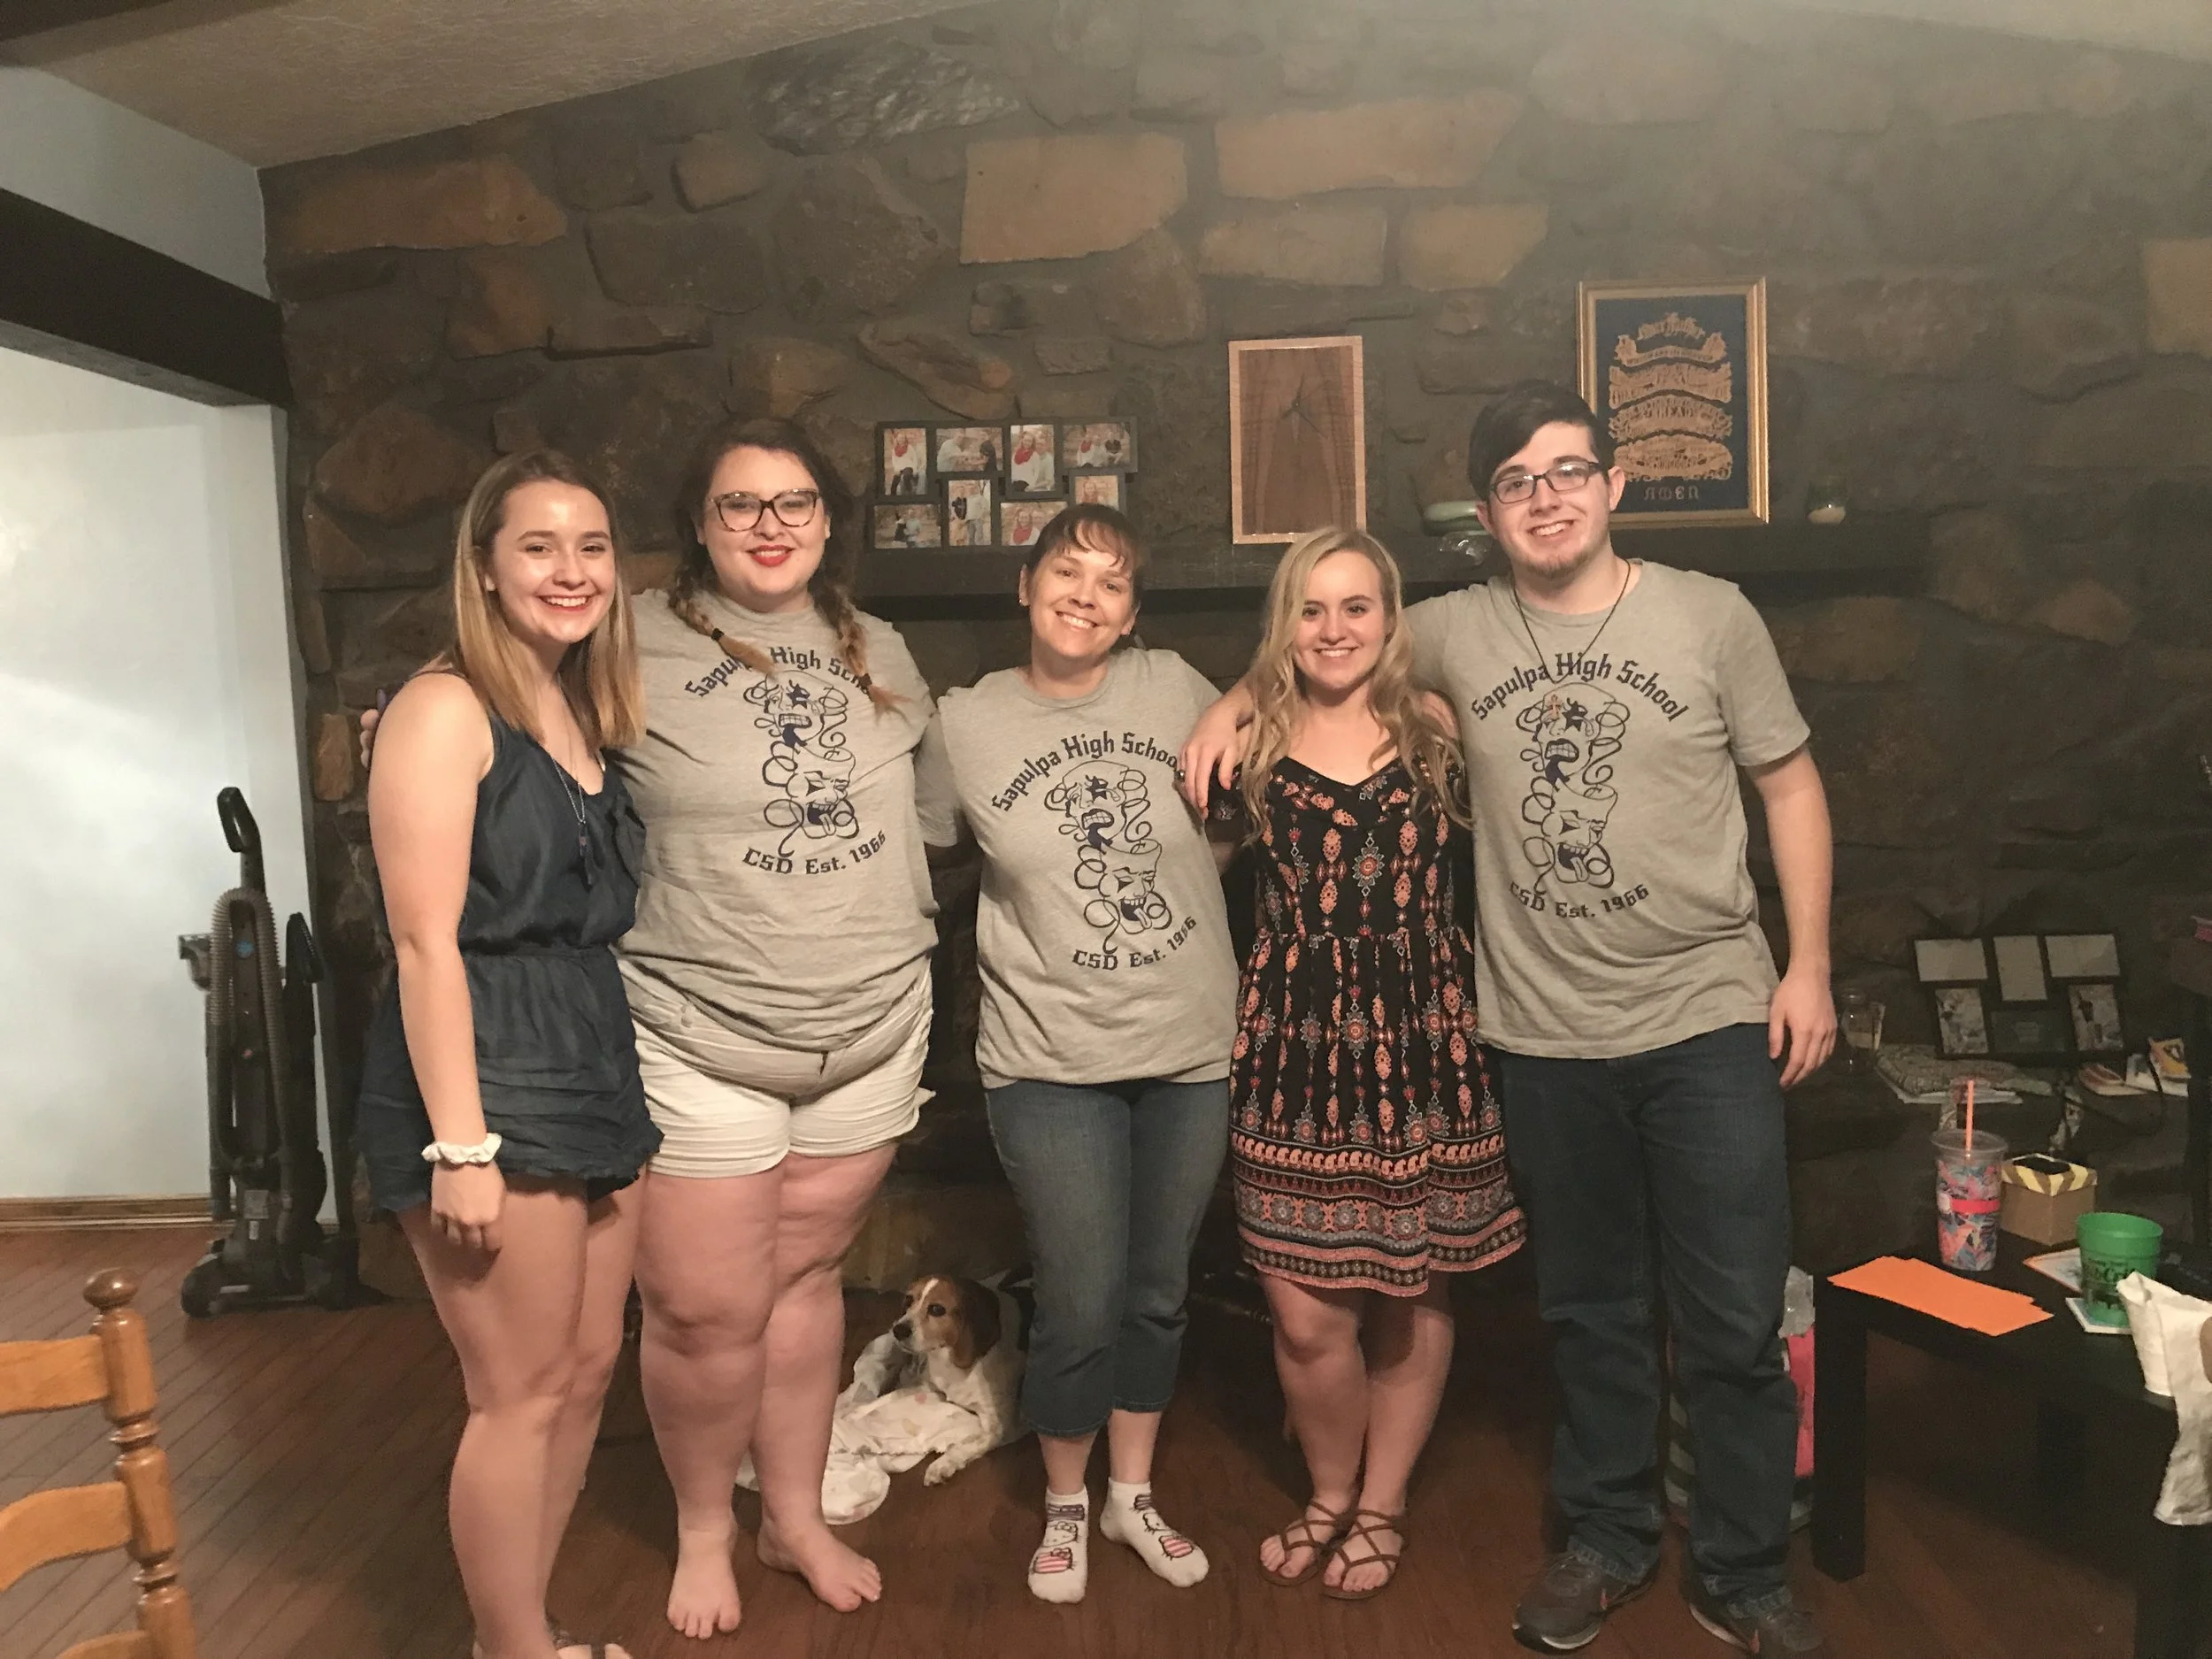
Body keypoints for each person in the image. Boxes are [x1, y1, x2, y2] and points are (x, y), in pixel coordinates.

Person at [1180, 381, 1837, 1654]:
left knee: (1732, 1316)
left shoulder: (1711, 614)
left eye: (1568, 471)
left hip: (1707, 1015)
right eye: (1518, 482)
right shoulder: (1449, 631)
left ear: (1613, 484)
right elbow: (1319, 640)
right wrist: (1228, 702)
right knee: (1588, 1311)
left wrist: (1807, 964)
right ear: (1486, 514)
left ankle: (1745, 1569)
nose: (1547, 498)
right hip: (1539, 1031)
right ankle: (1606, 1538)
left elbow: (1790, 783)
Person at [618, 416, 940, 1636]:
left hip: (869, 1030)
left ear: (827, 520)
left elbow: (933, 814)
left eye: (794, 501)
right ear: (699, 524)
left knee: (805, 1283)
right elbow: (501, 715)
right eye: (740, 503)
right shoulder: (624, 638)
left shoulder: (879, 645)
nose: (769, 524)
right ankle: (706, 1526)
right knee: (705, 1311)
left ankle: (791, 1516)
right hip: (697, 1031)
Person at [357, 450, 657, 1659]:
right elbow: (423, 943)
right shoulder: (443, 709)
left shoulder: (579, 704)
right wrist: (462, 1145)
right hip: (488, 1068)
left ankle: (514, 1633)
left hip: (590, 1049)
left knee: (583, 1369)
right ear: (484, 565)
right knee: (517, 1390)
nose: (569, 570)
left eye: (591, 546)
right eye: (538, 545)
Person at [913, 505, 1235, 1603]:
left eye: (1111, 582)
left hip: (1187, 1048)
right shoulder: (964, 722)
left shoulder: (1174, 685)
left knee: (1157, 1291)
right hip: (1047, 1060)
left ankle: (1128, 1495)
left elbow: (1265, 741)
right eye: (1065, 571)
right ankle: (1063, 1503)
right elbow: (914, 853)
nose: (1084, 596)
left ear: (1132, 614)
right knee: (1082, 1295)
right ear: (1025, 585)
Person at [1213, 528, 1523, 1602]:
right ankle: (1327, 1490)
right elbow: (1184, 877)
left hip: (1423, 1041)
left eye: (1355, 607)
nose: (1334, 629)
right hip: (1290, 1048)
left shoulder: (1438, 729)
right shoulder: (1248, 741)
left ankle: (1379, 1503)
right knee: (1305, 1313)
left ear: (1391, 619)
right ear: (1283, 623)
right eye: (1310, 608)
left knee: (1413, 1287)